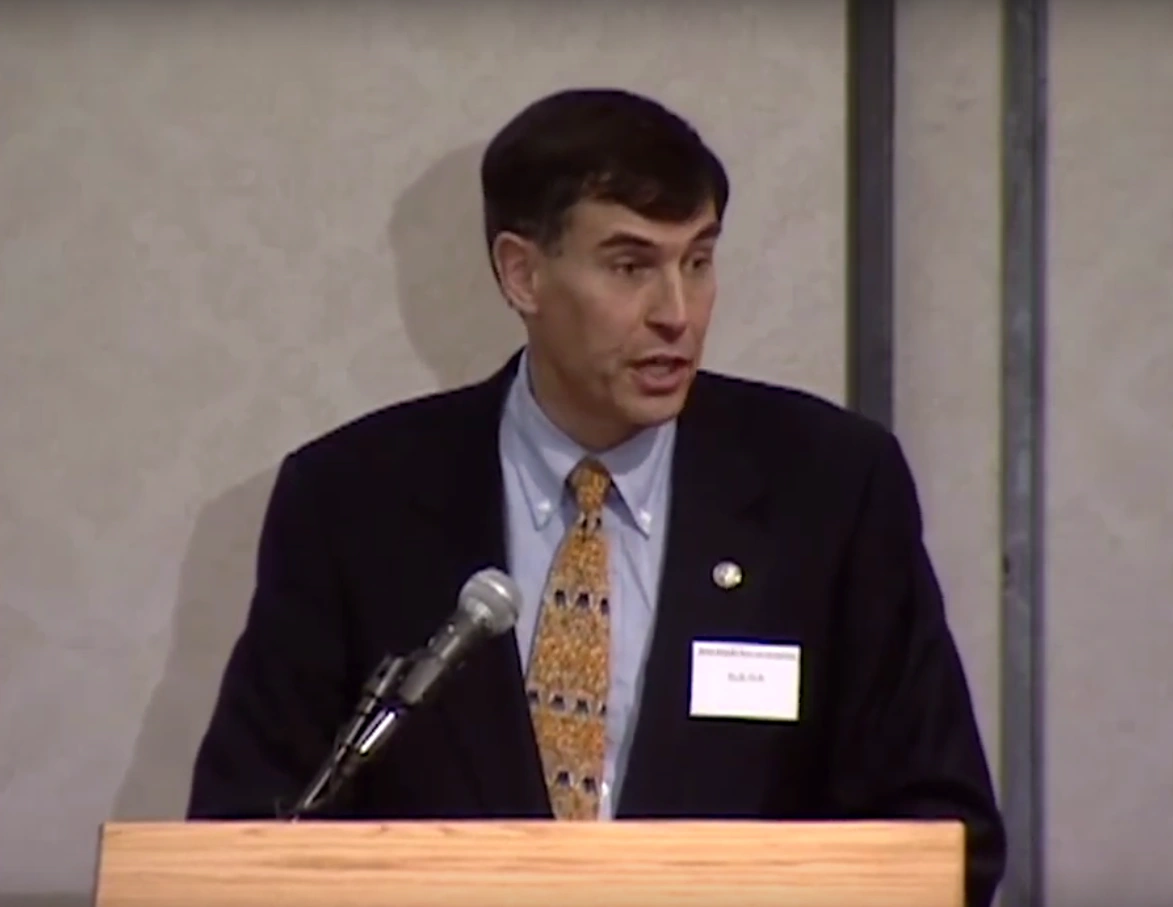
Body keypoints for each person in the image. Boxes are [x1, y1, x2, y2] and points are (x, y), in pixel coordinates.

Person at [188, 87, 1005, 905]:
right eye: (630, 266)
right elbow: (250, 830)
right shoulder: (353, 500)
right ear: (523, 274)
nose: (677, 313)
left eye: (697, 261)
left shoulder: (828, 486)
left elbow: (942, 835)